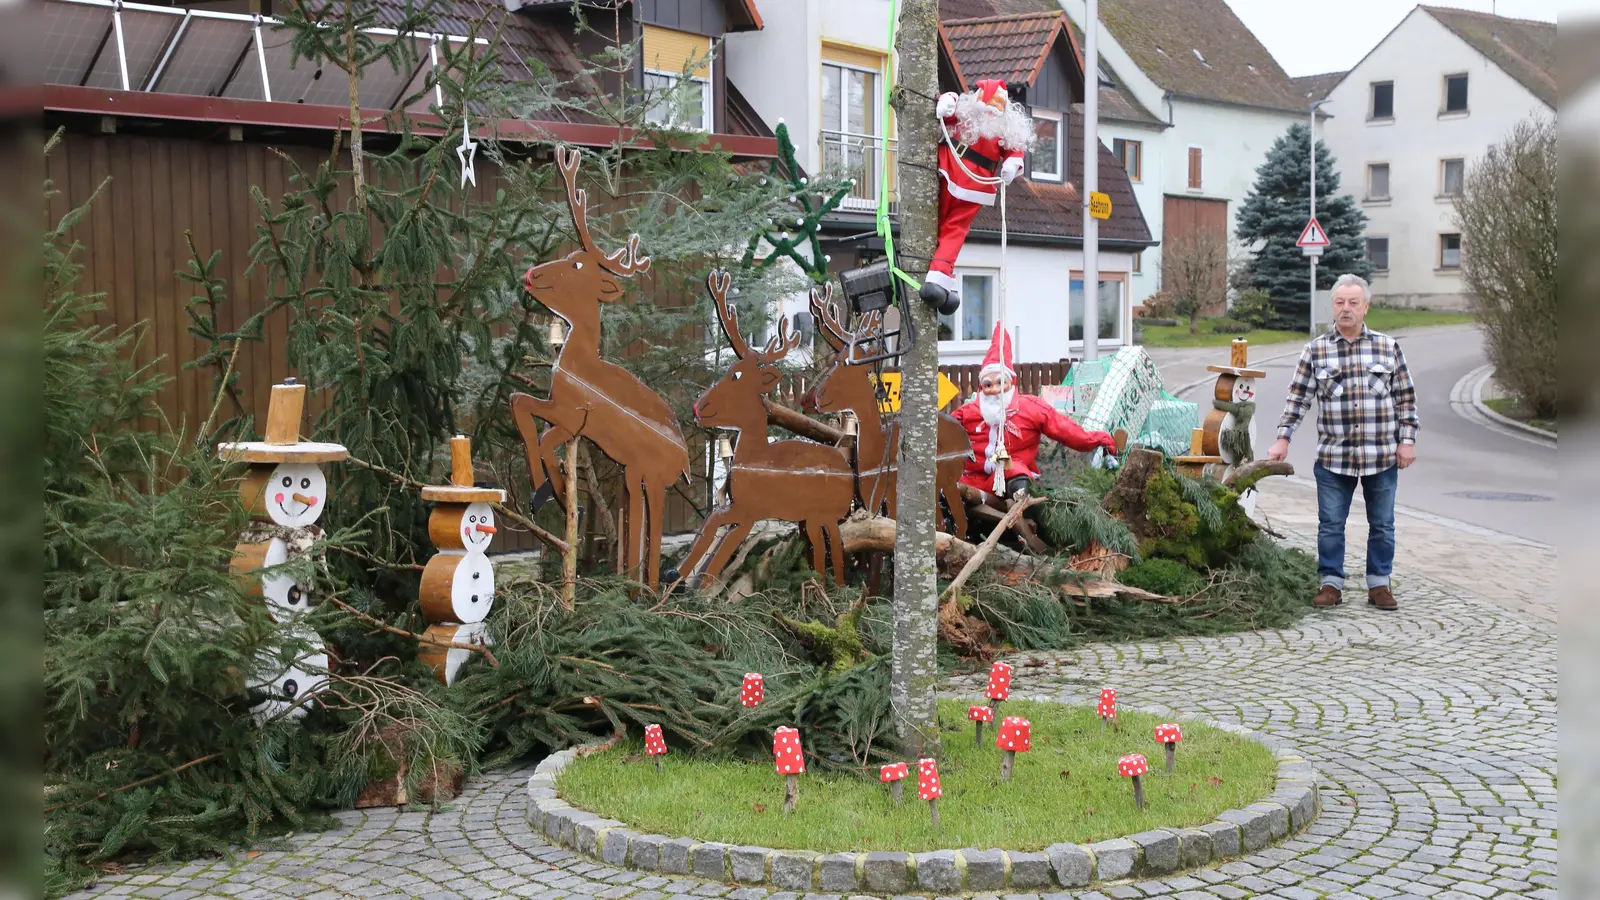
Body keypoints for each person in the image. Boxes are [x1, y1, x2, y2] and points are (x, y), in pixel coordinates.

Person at [1267, 273, 1418, 611]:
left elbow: (1405, 399)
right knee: (1331, 525)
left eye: (1353, 302)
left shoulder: (1388, 347)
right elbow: (1298, 399)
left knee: (1382, 525)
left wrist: (1406, 441)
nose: (1346, 308)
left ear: (1365, 307)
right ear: (1332, 307)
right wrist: (1282, 439)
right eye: (1339, 302)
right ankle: (1330, 584)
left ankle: (1379, 585)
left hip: (1381, 456)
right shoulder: (1316, 350)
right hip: (1334, 457)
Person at [951, 322, 1117, 499]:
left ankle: (1019, 500)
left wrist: (1098, 440)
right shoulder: (967, 412)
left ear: (1010, 382)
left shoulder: (1030, 408)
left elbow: (1065, 429)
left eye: (1000, 383)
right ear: (981, 387)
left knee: (1015, 471)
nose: (995, 390)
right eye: (988, 385)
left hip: (1010, 472)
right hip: (972, 479)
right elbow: (944, 432)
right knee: (950, 484)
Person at [918, 79, 1033, 314]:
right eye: (992, 101)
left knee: (954, 229)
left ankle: (938, 279)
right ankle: (945, 280)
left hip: (975, 185)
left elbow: (1014, 150)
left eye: (999, 103)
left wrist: (1012, 164)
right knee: (941, 227)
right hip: (949, 169)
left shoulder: (1005, 128)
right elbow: (949, 109)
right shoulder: (966, 113)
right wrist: (947, 100)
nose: (994, 107)